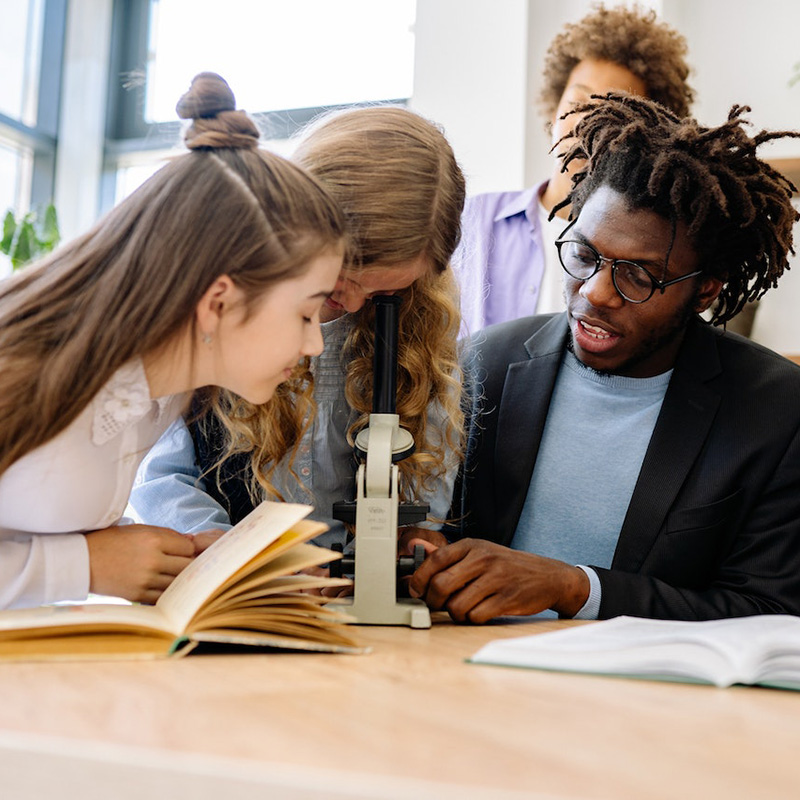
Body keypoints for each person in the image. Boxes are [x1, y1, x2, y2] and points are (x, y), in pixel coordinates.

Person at [407, 93, 800, 623]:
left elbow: (769, 610)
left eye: (639, 275)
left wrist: (575, 588)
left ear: (705, 290)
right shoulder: (487, 364)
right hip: (468, 669)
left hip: (651, 698)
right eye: (586, 255)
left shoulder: (775, 411)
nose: (595, 293)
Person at [0, 72, 346, 610]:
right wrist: (85, 565)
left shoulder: (164, 393)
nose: (314, 344)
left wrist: (192, 558)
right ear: (218, 302)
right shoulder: (20, 364)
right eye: (305, 313)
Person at [128, 106, 466, 556]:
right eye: (342, 280)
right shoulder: (212, 313)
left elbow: (424, 486)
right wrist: (242, 563)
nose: (352, 304)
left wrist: (402, 545)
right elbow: (162, 479)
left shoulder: (420, 334)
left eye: (382, 291)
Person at [455, 3, 694, 334]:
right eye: (576, 102)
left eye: (612, 110)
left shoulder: (649, 250)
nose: (586, 121)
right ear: (554, 111)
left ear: (647, 133)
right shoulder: (473, 219)